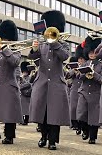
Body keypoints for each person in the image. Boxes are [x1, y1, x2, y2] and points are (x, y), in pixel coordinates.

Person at [28, 10, 70, 150]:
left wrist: (54, 42)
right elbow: (32, 57)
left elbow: (64, 56)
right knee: (43, 112)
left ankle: (52, 140)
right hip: (42, 82)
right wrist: (34, 50)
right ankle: (43, 136)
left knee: (54, 114)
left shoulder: (63, 44)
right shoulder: (42, 44)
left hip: (57, 82)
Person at [77, 36, 101, 144]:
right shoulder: (85, 64)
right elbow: (79, 77)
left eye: (94, 52)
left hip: (95, 93)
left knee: (93, 117)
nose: (92, 54)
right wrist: (84, 73)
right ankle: (84, 130)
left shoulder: (100, 65)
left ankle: (92, 137)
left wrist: (94, 74)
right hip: (84, 91)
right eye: (90, 52)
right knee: (81, 114)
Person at [65, 44, 85, 135]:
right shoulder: (75, 67)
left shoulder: (87, 66)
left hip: (83, 90)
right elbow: (67, 75)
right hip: (74, 90)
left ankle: (81, 125)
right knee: (73, 108)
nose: (81, 60)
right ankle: (74, 123)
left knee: (81, 109)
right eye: (79, 59)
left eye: (82, 59)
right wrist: (74, 70)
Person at [20, 61, 32, 126]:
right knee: (21, 108)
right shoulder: (21, 78)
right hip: (22, 94)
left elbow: (29, 84)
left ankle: (26, 120)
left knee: (27, 109)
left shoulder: (29, 77)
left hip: (28, 94)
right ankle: (21, 120)